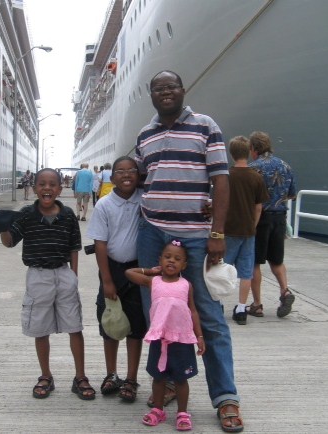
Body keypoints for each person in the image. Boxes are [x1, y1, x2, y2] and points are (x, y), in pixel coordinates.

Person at [135, 70, 243, 432]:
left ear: (183, 90)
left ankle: (225, 397)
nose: (165, 92)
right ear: (150, 95)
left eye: (171, 87)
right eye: (158, 88)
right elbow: (142, 180)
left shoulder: (205, 125)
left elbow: (220, 180)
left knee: (209, 318)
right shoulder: (145, 134)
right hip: (152, 232)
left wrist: (218, 231)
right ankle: (166, 383)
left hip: (197, 237)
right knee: (158, 315)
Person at [0, 168, 96, 401]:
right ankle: (45, 375)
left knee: (75, 326)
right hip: (38, 276)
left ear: (60, 189)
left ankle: (80, 376)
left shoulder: (68, 215)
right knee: (40, 328)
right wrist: (2, 227)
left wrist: (74, 276)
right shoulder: (26, 215)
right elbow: (10, 242)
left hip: (63, 274)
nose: (47, 188)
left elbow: (74, 247)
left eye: (52, 184)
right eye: (42, 184)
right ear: (34, 188)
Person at [125, 240, 205, 431]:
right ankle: (158, 410)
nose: (171, 261)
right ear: (160, 260)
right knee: (158, 378)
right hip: (160, 339)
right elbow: (129, 273)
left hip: (182, 339)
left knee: (181, 379)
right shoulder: (154, 282)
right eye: (167, 257)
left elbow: (193, 311)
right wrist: (150, 271)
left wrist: (199, 336)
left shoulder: (186, 285)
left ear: (184, 265)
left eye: (177, 259)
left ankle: (182, 413)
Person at [86, 156, 147, 403]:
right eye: (120, 171)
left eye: (131, 170)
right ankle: (111, 373)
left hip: (139, 270)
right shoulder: (104, 204)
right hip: (112, 269)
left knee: (136, 326)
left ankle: (131, 378)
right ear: (112, 178)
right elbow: (100, 243)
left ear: (139, 175)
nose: (126, 175)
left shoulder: (144, 200)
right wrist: (107, 280)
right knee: (109, 323)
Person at [249, 131, 297, 318]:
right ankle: (285, 291)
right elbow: (292, 193)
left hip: (260, 219)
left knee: (255, 262)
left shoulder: (253, 168)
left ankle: (257, 304)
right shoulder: (285, 166)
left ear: (253, 148)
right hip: (279, 218)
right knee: (276, 260)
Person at [223, 136, 269, 325]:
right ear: (249, 151)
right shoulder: (256, 176)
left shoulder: (226, 176)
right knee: (246, 271)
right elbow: (258, 206)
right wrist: (253, 224)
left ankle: (217, 303)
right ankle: (241, 308)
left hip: (228, 229)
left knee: (221, 268)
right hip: (248, 231)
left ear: (231, 153)